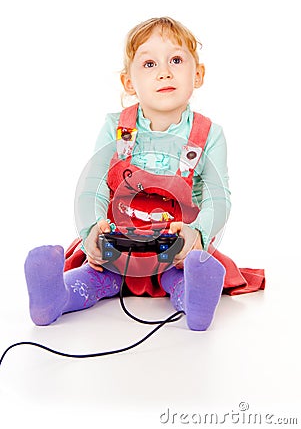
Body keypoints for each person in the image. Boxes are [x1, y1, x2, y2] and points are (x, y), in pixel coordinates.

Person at [24, 17, 265, 331]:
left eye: (176, 60)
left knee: (182, 274)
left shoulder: (209, 135)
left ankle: (196, 300)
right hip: (120, 243)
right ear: (128, 83)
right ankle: (54, 297)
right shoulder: (117, 128)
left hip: (174, 245)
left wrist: (198, 235)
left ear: (198, 74)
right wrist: (91, 231)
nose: (164, 71)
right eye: (149, 64)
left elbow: (218, 197)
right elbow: (93, 184)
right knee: (95, 273)